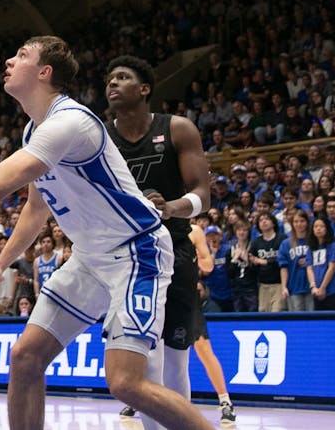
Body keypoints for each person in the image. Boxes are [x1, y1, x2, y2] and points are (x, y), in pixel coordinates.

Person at [0, 36, 212, 430]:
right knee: (25, 358)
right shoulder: (33, 131)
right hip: (90, 258)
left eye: (21, 55)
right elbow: (36, 208)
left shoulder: (70, 122)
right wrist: (0, 264)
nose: (9, 60)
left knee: (126, 382)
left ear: (44, 73)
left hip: (135, 252)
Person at [102, 56, 213, 427]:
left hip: (176, 252)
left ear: (144, 88)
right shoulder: (99, 138)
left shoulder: (178, 129)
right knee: (144, 363)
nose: (112, 84)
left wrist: (171, 208)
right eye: (109, 79)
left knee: (175, 360)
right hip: (125, 259)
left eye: (123, 77)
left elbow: (202, 195)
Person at [187, 224, 236, 423]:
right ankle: (141, 398)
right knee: (153, 349)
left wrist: (189, 259)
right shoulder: (153, 226)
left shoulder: (194, 231)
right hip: (162, 294)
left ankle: (225, 401)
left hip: (187, 295)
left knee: (203, 348)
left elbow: (207, 266)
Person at [249, 211, 285, 312]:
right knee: (263, 311)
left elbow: (283, 260)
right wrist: (251, 260)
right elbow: (253, 262)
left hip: (279, 283)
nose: (264, 222)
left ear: (273, 223)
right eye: (261, 220)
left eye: (267, 219)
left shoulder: (282, 239)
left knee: (277, 311)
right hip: (263, 284)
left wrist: (265, 262)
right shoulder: (256, 243)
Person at [279, 212, 313, 311]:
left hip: (311, 286)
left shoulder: (313, 241)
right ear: (292, 224)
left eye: (302, 221)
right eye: (296, 221)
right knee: (297, 320)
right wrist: (284, 287)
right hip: (294, 287)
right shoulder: (286, 244)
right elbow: (283, 267)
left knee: (312, 319)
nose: (299, 224)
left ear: (307, 222)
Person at [307, 216, 335, 310]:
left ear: (327, 229)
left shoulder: (332, 245)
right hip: (316, 291)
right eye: (316, 226)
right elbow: (309, 268)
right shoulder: (311, 247)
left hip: (331, 290)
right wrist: (313, 286)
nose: (318, 229)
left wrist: (322, 288)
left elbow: (332, 268)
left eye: (322, 226)